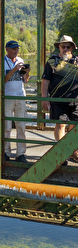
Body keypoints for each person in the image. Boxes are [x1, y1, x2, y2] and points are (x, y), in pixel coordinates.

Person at [41, 35, 78, 163]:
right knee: (60, 125)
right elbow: (45, 81)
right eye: (63, 46)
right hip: (58, 101)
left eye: (68, 46)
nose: (66, 49)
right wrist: (44, 98)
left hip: (75, 101)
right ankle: (63, 153)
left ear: (72, 48)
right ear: (59, 47)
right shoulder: (52, 61)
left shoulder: (77, 62)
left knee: (74, 128)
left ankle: (72, 151)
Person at [4, 40, 30, 163]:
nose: (16, 51)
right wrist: (14, 69)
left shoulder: (20, 60)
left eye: (17, 49)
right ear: (7, 49)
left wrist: (27, 72)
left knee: (21, 126)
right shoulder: (1, 62)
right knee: (7, 127)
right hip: (7, 97)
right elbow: (2, 80)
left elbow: (25, 81)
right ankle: (6, 152)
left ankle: (20, 154)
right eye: (13, 49)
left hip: (20, 96)